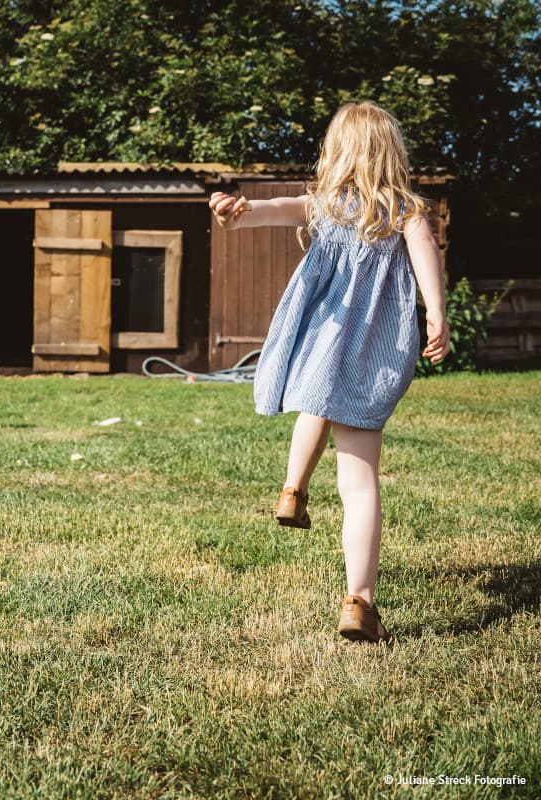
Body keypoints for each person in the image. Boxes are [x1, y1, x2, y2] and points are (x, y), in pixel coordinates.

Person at [208, 101, 450, 644]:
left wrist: (237, 210)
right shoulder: (406, 211)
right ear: (393, 150)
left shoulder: (324, 205)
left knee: (316, 403)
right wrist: (436, 313)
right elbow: (426, 256)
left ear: (335, 150)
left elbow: (271, 209)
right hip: (373, 350)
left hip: (323, 341)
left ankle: (293, 488)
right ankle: (359, 600)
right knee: (360, 481)